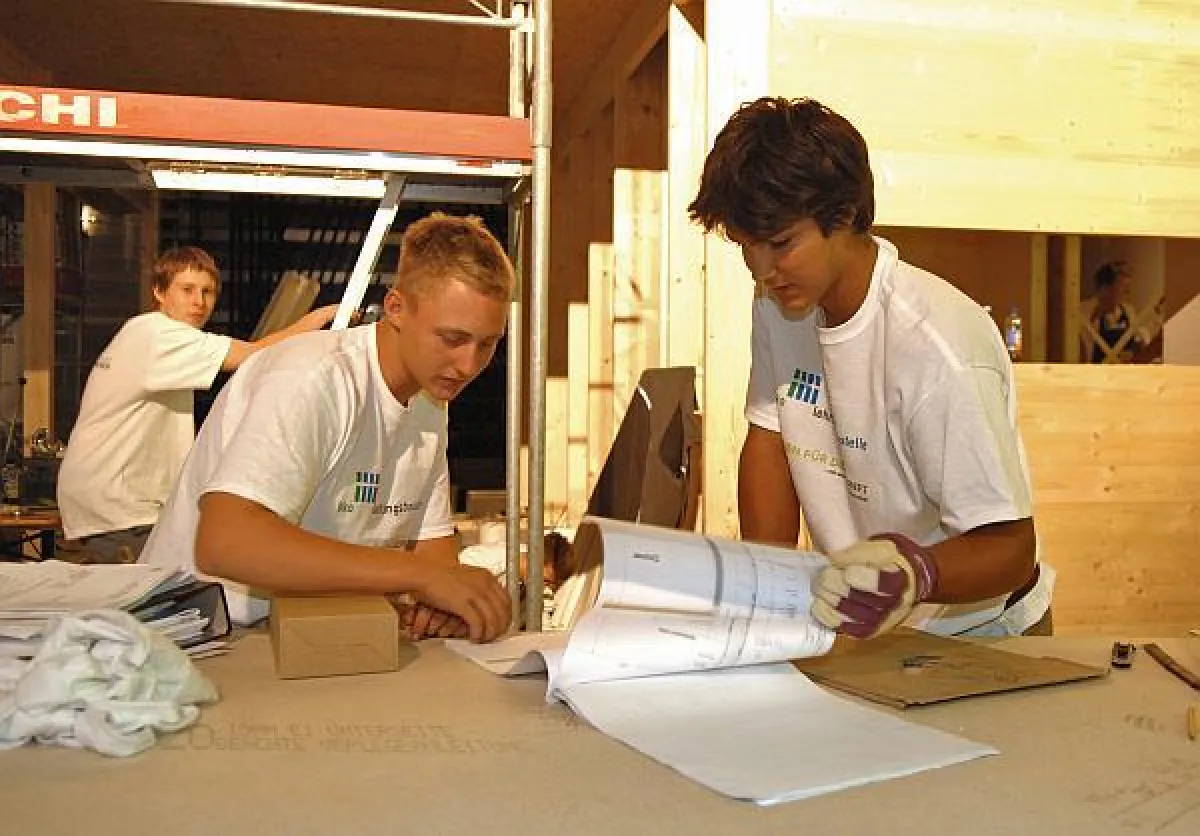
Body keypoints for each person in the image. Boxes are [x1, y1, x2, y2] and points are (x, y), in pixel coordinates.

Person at [688, 97, 1052, 639]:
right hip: (875, 634)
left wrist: (916, 571)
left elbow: (1011, 549)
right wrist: (768, 591)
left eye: (781, 243)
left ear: (845, 215)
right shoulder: (781, 303)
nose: (762, 270)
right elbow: (771, 439)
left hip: (985, 634)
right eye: (747, 246)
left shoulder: (937, 346)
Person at [140, 213, 512, 644]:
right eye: (451, 338)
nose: (468, 365)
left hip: (302, 636)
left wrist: (445, 600)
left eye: (487, 344)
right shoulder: (313, 376)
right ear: (395, 308)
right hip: (197, 636)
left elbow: (433, 547)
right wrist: (420, 576)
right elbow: (225, 541)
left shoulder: (431, 400)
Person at [57, 246, 338, 563]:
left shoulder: (154, 336)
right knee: (142, 604)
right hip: (119, 507)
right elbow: (252, 354)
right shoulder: (157, 333)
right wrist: (321, 319)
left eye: (208, 292)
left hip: (111, 501)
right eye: (187, 290)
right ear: (159, 292)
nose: (199, 302)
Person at [1085, 261, 1158, 363]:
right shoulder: (1084, 312)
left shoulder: (1128, 310)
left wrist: (1133, 351)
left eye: (1128, 287)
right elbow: (1084, 348)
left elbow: (1138, 338)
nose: (1128, 292)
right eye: (1123, 287)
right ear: (1104, 288)